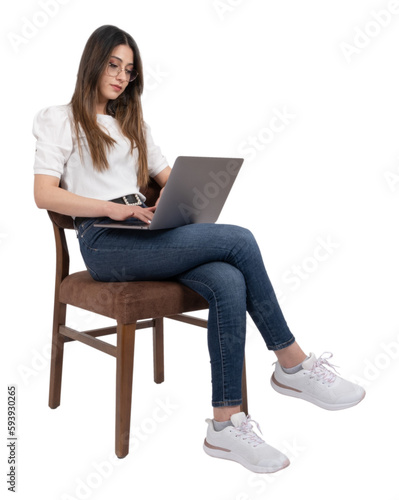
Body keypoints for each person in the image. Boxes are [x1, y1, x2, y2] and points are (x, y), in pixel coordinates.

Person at [33, 25, 365, 474]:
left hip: (147, 228)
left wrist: (187, 201)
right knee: (239, 239)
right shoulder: (59, 118)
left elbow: (167, 178)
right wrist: (111, 211)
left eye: (129, 71)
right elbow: (45, 195)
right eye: (113, 64)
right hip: (104, 240)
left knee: (228, 278)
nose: (121, 76)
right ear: (93, 61)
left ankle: (225, 427)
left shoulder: (135, 125)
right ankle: (292, 363)